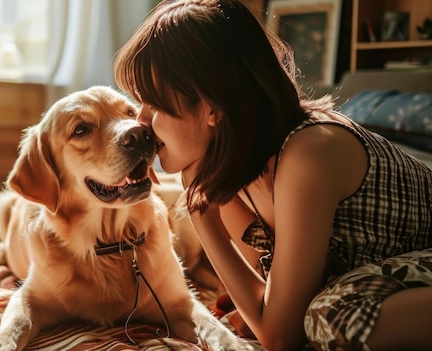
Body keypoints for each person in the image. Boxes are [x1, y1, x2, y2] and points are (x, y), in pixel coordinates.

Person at [113, 0, 432, 350]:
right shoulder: (235, 178)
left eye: (154, 105)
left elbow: (281, 336)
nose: (140, 122)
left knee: (331, 318)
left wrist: (200, 214)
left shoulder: (308, 154)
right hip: (391, 280)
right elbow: (269, 302)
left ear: (212, 107)